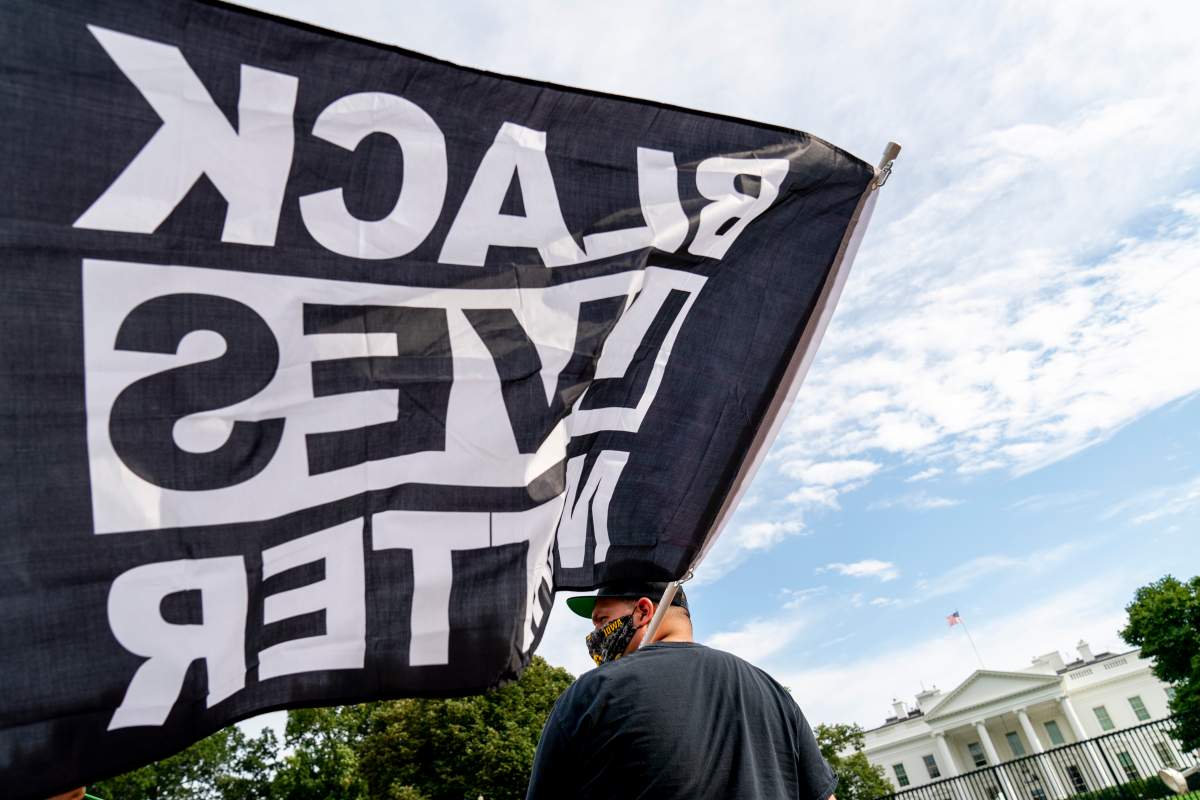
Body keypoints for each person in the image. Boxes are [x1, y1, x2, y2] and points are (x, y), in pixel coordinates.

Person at [526, 581, 838, 800]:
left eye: (601, 621)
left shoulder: (593, 692)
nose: (594, 636)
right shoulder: (773, 692)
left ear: (644, 611)